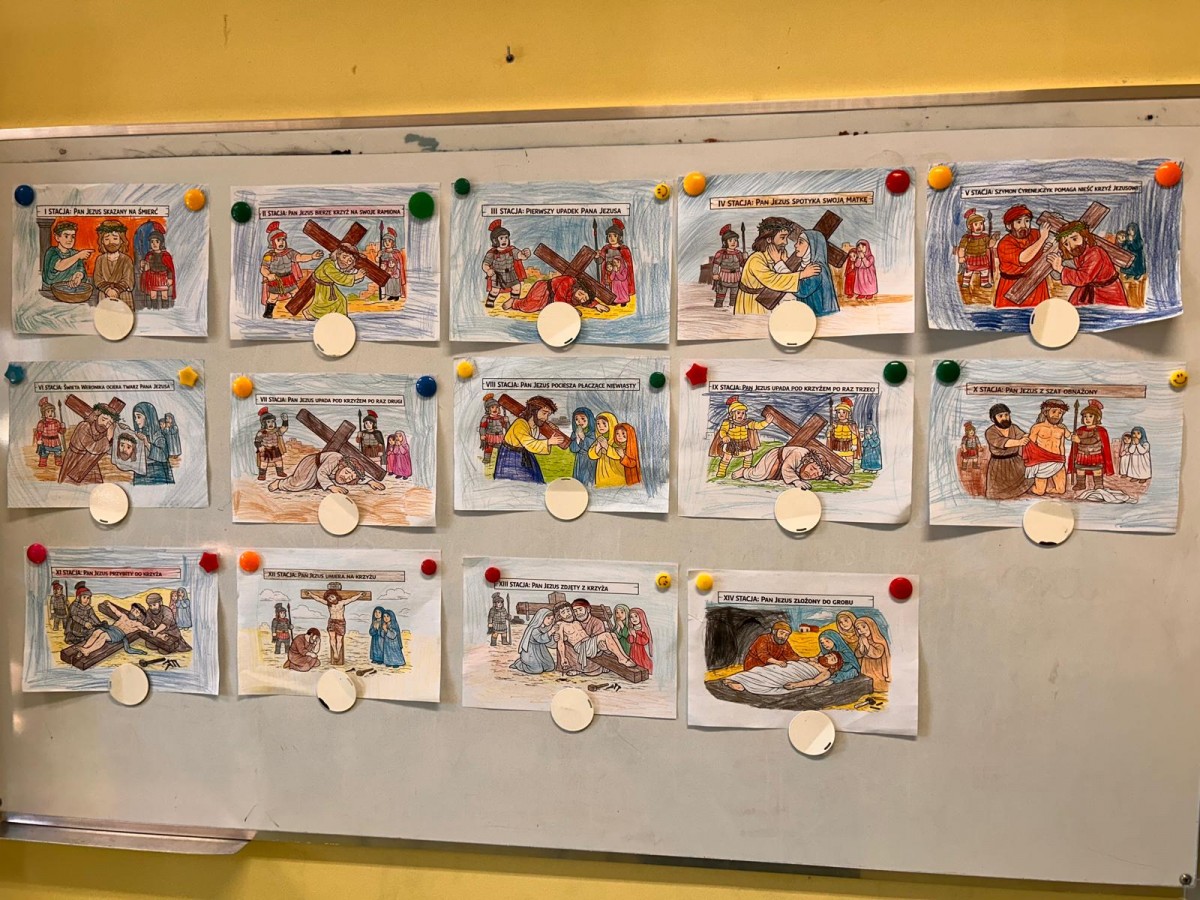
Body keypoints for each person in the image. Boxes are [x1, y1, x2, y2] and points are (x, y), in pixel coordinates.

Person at [734, 216, 821, 315]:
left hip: (770, 301)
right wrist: (802, 274)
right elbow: (773, 280)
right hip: (752, 303)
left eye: (786, 238)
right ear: (769, 239)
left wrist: (783, 262)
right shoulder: (756, 259)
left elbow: (786, 274)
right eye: (782, 238)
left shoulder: (779, 254)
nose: (786, 242)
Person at [723, 621, 819, 694]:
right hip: (755, 665)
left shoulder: (784, 643)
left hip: (772, 667)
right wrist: (777, 662)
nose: (784, 636)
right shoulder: (763, 639)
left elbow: (790, 655)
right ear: (774, 631)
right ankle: (731, 680)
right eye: (782, 633)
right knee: (760, 677)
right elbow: (763, 655)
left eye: (786, 635)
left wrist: (801, 659)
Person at [1047, 221, 1129, 306]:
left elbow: (1083, 278)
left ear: (1085, 237)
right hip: (1088, 291)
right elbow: (1058, 274)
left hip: (1107, 293)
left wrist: (1060, 268)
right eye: (1066, 244)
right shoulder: (1078, 255)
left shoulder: (1095, 253)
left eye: (1074, 239)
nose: (1072, 246)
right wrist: (1050, 254)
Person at [551, 600, 640, 676]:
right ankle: (621, 659)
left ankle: (624, 657)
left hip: (589, 644)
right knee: (606, 635)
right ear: (559, 615)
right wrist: (563, 658)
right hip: (582, 647)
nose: (567, 614)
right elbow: (560, 642)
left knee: (612, 635)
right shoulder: (560, 625)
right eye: (563, 612)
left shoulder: (576, 622)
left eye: (568, 610)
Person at [493, 395, 567, 483]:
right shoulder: (520, 424)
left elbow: (536, 438)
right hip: (511, 457)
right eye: (544, 413)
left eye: (548, 415)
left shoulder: (535, 424)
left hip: (525, 454)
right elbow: (530, 443)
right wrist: (549, 442)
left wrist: (551, 428)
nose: (546, 418)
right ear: (533, 411)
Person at [260, 221, 323, 318]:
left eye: (283, 239)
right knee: (273, 297)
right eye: (278, 240)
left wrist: (312, 256)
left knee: (296, 294)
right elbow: (263, 268)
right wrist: (268, 275)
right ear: (272, 243)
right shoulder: (269, 255)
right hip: (276, 280)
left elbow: (300, 257)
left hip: (289, 278)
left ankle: (300, 310)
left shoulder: (290, 252)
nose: (282, 242)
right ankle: (268, 312)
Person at [994, 204, 1052, 307]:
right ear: (1009, 226)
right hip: (1013, 287)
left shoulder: (1035, 234)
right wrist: (1042, 239)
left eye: (1027, 221)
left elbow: (1045, 245)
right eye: (1018, 222)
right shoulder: (1005, 244)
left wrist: (1046, 248)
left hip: (1036, 283)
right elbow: (1023, 258)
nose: (1024, 225)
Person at [730, 444, 853, 490]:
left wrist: (838, 478)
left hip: (785, 468)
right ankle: (743, 472)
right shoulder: (799, 454)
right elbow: (787, 467)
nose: (812, 474)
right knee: (758, 475)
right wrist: (796, 481)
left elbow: (826, 472)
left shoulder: (818, 467)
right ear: (809, 461)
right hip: (775, 458)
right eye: (812, 469)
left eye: (815, 475)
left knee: (771, 478)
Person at [58, 399, 123, 485]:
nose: (105, 424)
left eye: (109, 423)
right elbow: (93, 447)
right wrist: (108, 438)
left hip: (90, 463)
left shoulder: (103, 431)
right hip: (75, 461)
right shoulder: (84, 426)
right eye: (104, 419)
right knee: (70, 485)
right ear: (96, 417)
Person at [268, 450, 385, 495]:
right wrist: (332, 487)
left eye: (350, 478)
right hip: (311, 464)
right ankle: (279, 483)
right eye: (347, 473)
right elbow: (322, 472)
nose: (346, 477)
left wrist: (371, 482)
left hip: (318, 470)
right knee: (299, 483)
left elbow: (359, 475)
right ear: (343, 466)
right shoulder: (336, 458)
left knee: (309, 485)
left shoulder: (351, 470)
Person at [781, 630, 865, 690]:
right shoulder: (826, 652)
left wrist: (834, 680)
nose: (824, 644)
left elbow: (853, 671)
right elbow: (817, 658)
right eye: (822, 643)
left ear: (835, 640)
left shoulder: (845, 654)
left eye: (827, 641)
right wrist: (806, 660)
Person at [709, 396, 769, 478]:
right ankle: (721, 472)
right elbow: (722, 431)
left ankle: (745, 471)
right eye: (738, 413)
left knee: (748, 457)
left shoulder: (747, 422)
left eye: (743, 413)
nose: (741, 415)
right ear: (732, 413)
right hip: (731, 444)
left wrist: (766, 422)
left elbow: (758, 425)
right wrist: (724, 436)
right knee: (726, 458)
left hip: (744, 443)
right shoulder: (728, 423)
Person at [1022, 398, 1071, 496]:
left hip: (1058, 460)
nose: (1057, 415)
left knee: (1061, 490)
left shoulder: (1062, 428)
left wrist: (1077, 437)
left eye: (1060, 413)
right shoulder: (1037, 427)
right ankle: (1026, 487)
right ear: (1045, 412)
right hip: (1042, 461)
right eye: (1054, 411)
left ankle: (1046, 489)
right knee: (1039, 491)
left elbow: (1070, 438)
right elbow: (1030, 446)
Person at [307, 243, 366, 319]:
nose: (345, 261)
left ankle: (342, 316)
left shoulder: (338, 266)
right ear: (338, 254)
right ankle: (309, 312)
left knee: (341, 300)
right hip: (322, 286)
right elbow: (339, 277)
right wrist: (355, 277)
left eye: (350, 260)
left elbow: (347, 274)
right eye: (344, 257)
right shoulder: (328, 264)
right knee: (322, 303)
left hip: (329, 285)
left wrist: (358, 277)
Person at [983, 403, 1030, 500]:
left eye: (1006, 415)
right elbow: (1003, 442)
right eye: (1000, 416)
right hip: (999, 465)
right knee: (998, 493)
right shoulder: (990, 432)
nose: (1005, 418)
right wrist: (1019, 442)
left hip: (1016, 461)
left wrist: (1030, 435)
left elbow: (1023, 435)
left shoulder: (1014, 427)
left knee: (1028, 477)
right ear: (993, 419)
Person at [313, 588, 369, 667]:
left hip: (340, 622)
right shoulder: (329, 604)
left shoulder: (342, 602)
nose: (331, 599)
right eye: (329, 598)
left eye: (332, 597)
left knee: (339, 639)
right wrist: (311, 594)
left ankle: (338, 652)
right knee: (332, 638)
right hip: (332, 621)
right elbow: (318, 599)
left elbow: (352, 599)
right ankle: (335, 652)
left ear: (336, 596)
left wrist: (359, 595)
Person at [73, 602, 149, 659]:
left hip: (118, 634)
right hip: (111, 628)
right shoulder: (124, 616)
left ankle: (87, 651)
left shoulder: (137, 623)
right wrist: (110, 605)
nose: (133, 611)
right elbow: (115, 611)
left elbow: (143, 628)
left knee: (103, 636)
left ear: (139, 616)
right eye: (133, 609)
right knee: (97, 632)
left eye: (136, 612)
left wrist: (149, 630)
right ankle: (84, 647)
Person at [482, 219, 531, 308]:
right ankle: (490, 301)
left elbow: (519, 255)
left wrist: (525, 254)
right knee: (495, 291)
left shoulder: (512, 250)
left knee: (517, 287)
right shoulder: (492, 253)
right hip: (498, 276)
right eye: (501, 238)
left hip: (511, 274)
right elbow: (485, 264)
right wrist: (488, 270)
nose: (504, 240)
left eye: (506, 237)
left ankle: (512, 302)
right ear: (495, 240)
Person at [506, 272, 608, 314]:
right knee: (529, 306)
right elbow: (559, 298)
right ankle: (513, 302)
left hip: (550, 301)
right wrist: (571, 310)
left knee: (538, 308)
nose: (581, 297)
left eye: (583, 299)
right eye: (582, 293)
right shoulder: (568, 281)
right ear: (580, 287)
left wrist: (597, 305)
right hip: (543, 290)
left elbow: (588, 301)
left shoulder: (578, 299)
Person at [1068, 399, 1115, 490]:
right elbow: (1075, 444)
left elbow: (1093, 440)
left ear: (1097, 417)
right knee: (1080, 469)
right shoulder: (1080, 430)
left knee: (1097, 470)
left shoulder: (1100, 431)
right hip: (1082, 455)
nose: (1087, 419)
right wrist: (1073, 438)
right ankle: (1081, 484)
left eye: (1090, 416)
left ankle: (1098, 484)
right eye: (1085, 416)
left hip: (1095, 455)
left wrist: (1079, 440)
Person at [92, 219, 135, 308]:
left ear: (121, 240)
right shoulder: (100, 259)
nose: (111, 242)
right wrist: (107, 290)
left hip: (123, 295)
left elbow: (128, 280)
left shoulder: (126, 259)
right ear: (102, 241)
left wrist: (116, 291)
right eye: (107, 239)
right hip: (105, 295)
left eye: (115, 238)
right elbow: (97, 279)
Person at [132, 401, 174, 485]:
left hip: (156, 472)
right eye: (135, 417)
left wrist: (146, 443)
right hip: (140, 470)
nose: (136, 420)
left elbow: (163, 456)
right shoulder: (140, 434)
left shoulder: (157, 436)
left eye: (138, 417)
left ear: (148, 417)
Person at [41, 220, 92, 289]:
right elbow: (59, 266)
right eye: (66, 236)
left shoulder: (75, 253)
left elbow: (80, 269)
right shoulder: (51, 252)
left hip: (70, 289)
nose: (70, 240)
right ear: (57, 237)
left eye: (73, 237)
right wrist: (78, 256)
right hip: (50, 289)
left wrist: (78, 277)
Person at [598, 218, 636, 306]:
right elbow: (599, 261)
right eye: (609, 236)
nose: (611, 238)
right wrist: (596, 256)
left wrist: (619, 270)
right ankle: (613, 300)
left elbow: (629, 265)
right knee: (611, 288)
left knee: (621, 288)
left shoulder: (624, 249)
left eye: (614, 235)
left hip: (621, 274)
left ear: (619, 237)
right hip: (609, 274)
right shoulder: (606, 248)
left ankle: (623, 300)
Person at [956, 208, 993, 291]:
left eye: (981, 224)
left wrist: (993, 240)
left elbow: (989, 245)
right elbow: (962, 248)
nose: (979, 226)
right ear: (970, 226)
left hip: (982, 258)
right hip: (971, 258)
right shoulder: (967, 238)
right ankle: (966, 283)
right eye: (976, 224)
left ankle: (984, 283)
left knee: (984, 271)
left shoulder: (985, 237)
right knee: (968, 271)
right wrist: (961, 257)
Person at [710, 224, 747, 308]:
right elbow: (716, 264)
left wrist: (745, 258)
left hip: (736, 278)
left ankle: (732, 308)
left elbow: (743, 265)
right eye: (730, 240)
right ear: (725, 242)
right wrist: (715, 274)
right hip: (723, 278)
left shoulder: (739, 254)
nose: (733, 242)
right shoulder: (721, 253)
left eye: (735, 240)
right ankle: (718, 307)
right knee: (720, 294)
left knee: (734, 296)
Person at [510, 609, 556, 675]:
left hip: (541, 651)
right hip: (531, 652)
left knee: (550, 667)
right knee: (537, 670)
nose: (550, 621)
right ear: (541, 617)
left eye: (552, 619)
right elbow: (540, 639)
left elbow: (548, 642)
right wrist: (550, 632)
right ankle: (519, 664)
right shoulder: (534, 629)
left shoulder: (545, 628)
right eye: (548, 618)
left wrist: (555, 638)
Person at [588, 412, 626, 488]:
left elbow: (618, 455)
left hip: (616, 473)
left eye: (604, 423)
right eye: (598, 424)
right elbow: (591, 455)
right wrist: (597, 447)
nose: (600, 426)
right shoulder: (600, 438)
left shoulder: (618, 439)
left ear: (611, 424)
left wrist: (606, 446)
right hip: (601, 474)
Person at [137, 227, 176, 302]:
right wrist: (143, 265)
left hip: (163, 277)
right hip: (152, 278)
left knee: (164, 295)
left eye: (157, 241)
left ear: (161, 243)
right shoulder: (149, 255)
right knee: (153, 295)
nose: (154, 244)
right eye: (152, 242)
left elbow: (170, 269)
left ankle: (164, 307)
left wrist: (170, 278)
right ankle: (153, 307)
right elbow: (146, 268)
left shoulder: (166, 256)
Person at [854, 616, 891, 693]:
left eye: (864, 627)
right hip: (865, 669)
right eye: (858, 629)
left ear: (871, 626)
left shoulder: (879, 640)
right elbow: (857, 654)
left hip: (877, 670)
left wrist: (867, 645)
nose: (862, 630)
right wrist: (861, 646)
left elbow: (877, 654)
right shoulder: (862, 640)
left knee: (877, 688)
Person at [253, 407, 288, 481]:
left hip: (275, 449)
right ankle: (262, 475)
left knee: (278, 461)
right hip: (266, 450)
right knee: (264, 463)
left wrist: (285, 421)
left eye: (272, 421)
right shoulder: (261, 432)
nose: (271, 423)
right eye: (268, 422)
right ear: (264, 423)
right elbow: (257, 441)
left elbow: (284, 428)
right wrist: (259, 446)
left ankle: (280, 472)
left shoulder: (276, 430)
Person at [477, 394, 510, 470]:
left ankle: (501, 460)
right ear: (488, 409)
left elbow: (507, 428)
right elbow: (482, 427)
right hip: (489, 437)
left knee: (501, 449)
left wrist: (507, 422)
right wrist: (482, 435)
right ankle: (487, 459)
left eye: (497, 407)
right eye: (492, 407)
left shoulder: (501, 418)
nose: (495, 409)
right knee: (488, 449)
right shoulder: (486, 418)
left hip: (499, 437)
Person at [567, 407, 597, 485]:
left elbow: (592, 446)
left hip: (590, 460)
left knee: (589, 480)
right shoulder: (574, 433)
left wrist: (583, 437)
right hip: (579, 460)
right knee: (579, 480)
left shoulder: (593, 433)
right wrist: (577, 438)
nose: (579, 421)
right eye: (576, 419)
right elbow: (573, 449)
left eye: (583, 419)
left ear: (589, 419)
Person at [828, 396, 861, 467]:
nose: (841, 414)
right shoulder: (835, 424)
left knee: (849, 459)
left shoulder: (851, 425)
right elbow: (830, 435)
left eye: (843, 412)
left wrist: (854, 444)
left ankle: (850, 470)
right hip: (837, 445)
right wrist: (829, 430)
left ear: (848, 414)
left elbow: (854, 435)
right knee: (837, 460)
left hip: (848, 445)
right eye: (839, 412)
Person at [1119, 223, 1147, 305]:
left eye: (1132, 230)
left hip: (1137, 260)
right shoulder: (1127, 239)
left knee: (1136, 267)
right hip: (1129, 259)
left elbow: (1136, 247)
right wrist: (1125, 242)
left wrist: (1131, 241)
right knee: (1128, 265)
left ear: (1135, 231)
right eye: (1129, 230)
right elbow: (1124, 247)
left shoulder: (1139, 241)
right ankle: (1129, 273)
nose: (1129, 231)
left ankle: (1138, 274)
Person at [34, 397, 64, 468]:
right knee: (44, 453)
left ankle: (58, 462)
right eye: (48, 411)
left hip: (56, 441)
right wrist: (39, 439)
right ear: (44, 413)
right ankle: (43, 463)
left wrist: (63, 427)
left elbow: (61, 432)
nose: (51, 413)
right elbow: (39, 432)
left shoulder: (56, 422)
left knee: (58, 452)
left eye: (52, 411)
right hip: (45, 442)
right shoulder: (42, 423)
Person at [377, 227, 407, 300]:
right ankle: (391, 295)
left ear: (393, 243)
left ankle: (396, 296)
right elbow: (377, 261)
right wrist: (378, 256)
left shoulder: (396, 252)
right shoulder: (382, 252)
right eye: (385, 241)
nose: (386, 243)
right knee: (389, 284)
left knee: (395, 283)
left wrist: (397, 269)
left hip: (395, 272)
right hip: (386, 272)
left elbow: (400, 263)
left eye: (389, 241)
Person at [627, 607, 653, 673]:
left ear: (641, 617)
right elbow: (630, 641)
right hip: (633, 649)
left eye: (636, 616)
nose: (634, 619)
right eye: (631, 617)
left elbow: (645, 641)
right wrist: (631, 635)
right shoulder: (632, 628)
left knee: (642, 662)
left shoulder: (643, 628)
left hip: (641, 650)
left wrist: (635, 635)